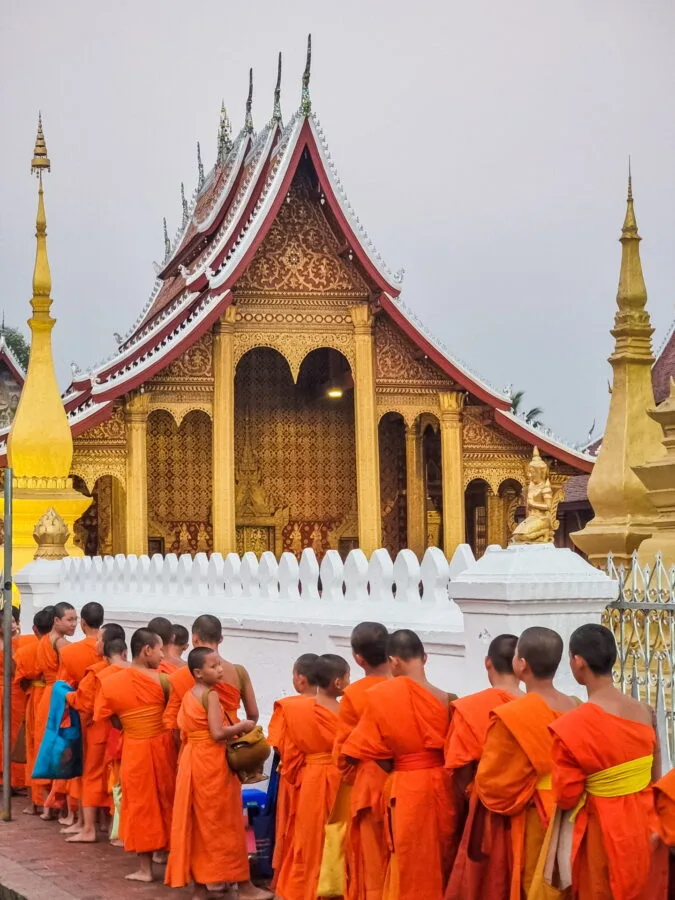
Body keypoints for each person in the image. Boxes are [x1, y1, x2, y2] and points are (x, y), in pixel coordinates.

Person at [548, 623, 664, 900]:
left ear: (578, 662)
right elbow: (655, 776)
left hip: (602, 829)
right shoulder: (645, 712)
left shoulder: (572, 725)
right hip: (645, 822)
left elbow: (566, 795)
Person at [341, 630, 456, 900]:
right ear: (424, 657)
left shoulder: (381, 696)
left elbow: (361, 749)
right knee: (442, 855)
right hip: (443, 784)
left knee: (407, 859)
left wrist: (400, 763)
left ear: (393, 662)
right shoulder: (449, 699)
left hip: (405, 785)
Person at [475, 626, 578, 900]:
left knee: (536, 882)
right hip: (575, 809)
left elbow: (493, 785)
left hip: (536, 814)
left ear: (521, 665)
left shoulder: (513, 715)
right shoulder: (577, 707)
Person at [165, 647, 273, 900]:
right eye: (213, 667)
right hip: (211, 762)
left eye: (218, 665)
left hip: (193, 761)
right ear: (198, 673)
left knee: (200, 825)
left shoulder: (191, 694)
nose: (220, 670)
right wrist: (242, 726)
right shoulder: (211, 696)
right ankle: (243, 885)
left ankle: (201, 886)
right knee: (225, 823)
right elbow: (216, 733)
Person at [94, 628, 177, 883]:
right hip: (164, 748)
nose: (162, 656)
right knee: (168, 800)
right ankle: (173, 861)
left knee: (140, 805)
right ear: (147, 650)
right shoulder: (165, 679)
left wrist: (134, 724)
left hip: (135, 748)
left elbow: (112, 719)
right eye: (160, 649)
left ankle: (145, 869)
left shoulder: (111, 681)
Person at [444, 633, 523, 900]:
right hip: (532, 810)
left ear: (488, 662)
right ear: (521, 665)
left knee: (486, 883)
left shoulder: (470, 708)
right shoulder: (540, 706)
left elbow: (460, 770)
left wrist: (473, 798)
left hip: (484, 812)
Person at [276, 654, 350, 900]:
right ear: (338, 683)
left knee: (308, 839)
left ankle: (305, 890)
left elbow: (288, 754)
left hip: (310, 780)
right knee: (340, 839)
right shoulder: (348, 713)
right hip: (342, 780)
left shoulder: (295, 710)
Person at [333, 622, 391, 900]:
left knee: (372, 855)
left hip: (369, 784)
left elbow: (343, 756)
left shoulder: (354, 695)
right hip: (411, 783)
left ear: (358, 658)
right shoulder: (410, 688)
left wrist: (356, 778)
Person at [63, 622, 125, 843]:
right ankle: (111, 827)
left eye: (99, 640)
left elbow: (83, 702)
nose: (95, 644)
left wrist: (66, 695)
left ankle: (88, 828)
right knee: (115, 778)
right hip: (123, 731)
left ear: (107, 645)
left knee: (91, 776)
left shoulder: (97, 673)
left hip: (99, 730)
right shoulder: (130, 670)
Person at [268, 652, 318, 890]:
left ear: (301, 679)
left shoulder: (288, 708)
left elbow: (278, 745)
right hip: (323, 778)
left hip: (293, 776)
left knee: (290, 828)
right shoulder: (334, 708)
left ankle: (289, 882)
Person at [164, 614, 259, 736]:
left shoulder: (181, 676)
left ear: (195, 639)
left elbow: (175, 725)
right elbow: (253, 714)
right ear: (220, 639)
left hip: (199, 747)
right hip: (233, 740)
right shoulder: (239, 671)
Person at [55, 601, 105, 830]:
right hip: (105, 715)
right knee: (103, 768)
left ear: (83, 623)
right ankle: (102, 821)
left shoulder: (70, 652)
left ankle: (83, 822)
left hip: (80, 714)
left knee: (82, 768)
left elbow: (63, 686)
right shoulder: (109, 649)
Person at [33, 601, 78, 821]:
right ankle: (56, 804)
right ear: (56, 621)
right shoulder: (61, 644)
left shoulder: (42, 641)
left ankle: (46, 806)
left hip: (45, 696)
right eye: (69, 620)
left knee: (47, 746)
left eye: (76, 619)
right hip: (59, 697)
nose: (74, 624)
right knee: (59, 749)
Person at [14, 606, 55, 812]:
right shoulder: (61, 647)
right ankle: (54, 804)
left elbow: (20, 680)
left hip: (36, 698)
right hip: (55, 698)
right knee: (51, 747)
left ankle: (36, 801)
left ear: (35, 628)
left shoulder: (27, 649)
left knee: (34, 747)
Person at [0, 606, 32, 792]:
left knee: (14, 733)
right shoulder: (12, 644)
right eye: (8, 622)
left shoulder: (21, 642)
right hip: (8, 689)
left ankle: (14, 777)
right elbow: (13, 669)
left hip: (16, 692)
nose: (12, 625)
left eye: (13, 621)